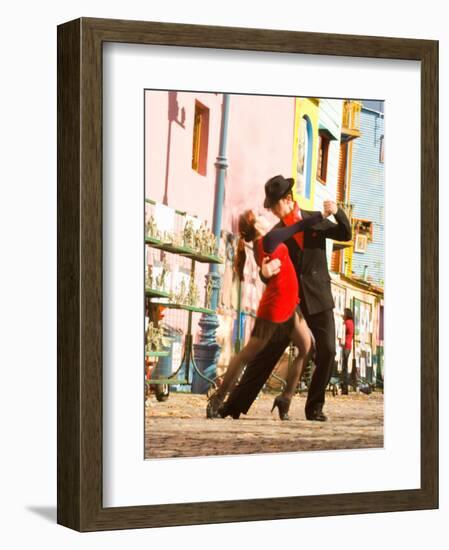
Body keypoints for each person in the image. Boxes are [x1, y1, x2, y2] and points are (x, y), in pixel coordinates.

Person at [218, 175, 352, 421]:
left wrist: (337, 211)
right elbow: (267, 265)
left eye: (274, 204)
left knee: (328, 350)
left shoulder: (315, 219)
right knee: (267, 354)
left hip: (319, 297)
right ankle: (232, 406)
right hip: (291, 302)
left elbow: (345, 234)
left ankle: (314, 408)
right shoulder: (277, 232)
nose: (272, 211)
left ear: (288, 199)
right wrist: (263, 273)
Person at [206, 205, 331, 420]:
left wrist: (266, 271)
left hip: (290, 304)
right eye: (260, 217)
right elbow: (299, 226)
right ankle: (217, 398)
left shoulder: (261, 243)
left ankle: (285, 398)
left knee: (306, 347)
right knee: (247, 354)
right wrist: (323, 215)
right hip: (275, 307)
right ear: (255, 226)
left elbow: (269, 269)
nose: (265, 218)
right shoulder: (269, 239)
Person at [340, 308, 354, 395]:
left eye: (344, 313)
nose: (343, 315)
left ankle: (344, 388)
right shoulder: (352, 322)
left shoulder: (347, 322)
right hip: (349, 346)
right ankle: (345, 388)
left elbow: (341, 332)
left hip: (345, 346)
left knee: (344, 367)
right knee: (345, 366)